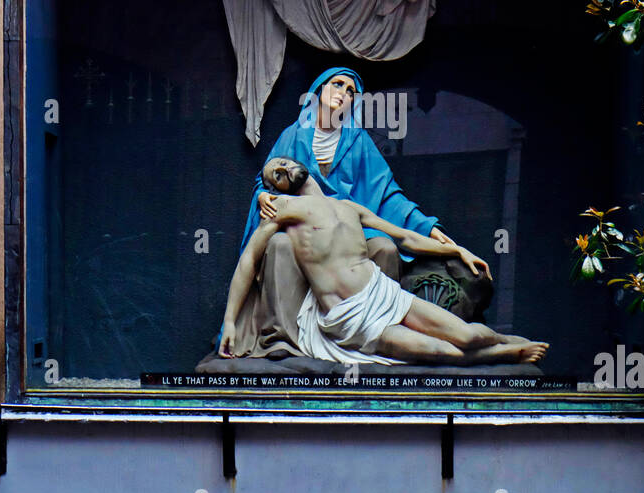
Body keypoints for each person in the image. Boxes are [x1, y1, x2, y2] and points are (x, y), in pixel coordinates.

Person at [225, 64, 471, 357]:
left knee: (384, 247)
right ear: (319, 90)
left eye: (351, 91)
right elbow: (265, 179)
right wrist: (264, 196)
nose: (343, 93)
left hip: (348, 226)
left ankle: (381, 329)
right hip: (301, 231)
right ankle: (281, 337)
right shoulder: (293, 136)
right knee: (278, 245)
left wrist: (432, 231)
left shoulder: (358, 141)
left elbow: (389, 194)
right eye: (337, 85)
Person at [219, 157, 548, 366]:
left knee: (466, 336)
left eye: (281, 163)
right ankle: (505, 353)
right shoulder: (285, 209)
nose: (281, 171)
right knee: (439, 352)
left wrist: (457, 250)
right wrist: (231, 322)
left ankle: (507, 341)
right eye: (273, 176)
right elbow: (249, 259)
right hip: (353, 316)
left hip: (385, 293)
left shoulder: (349, 207)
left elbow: (405, 237)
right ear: (272, 189)